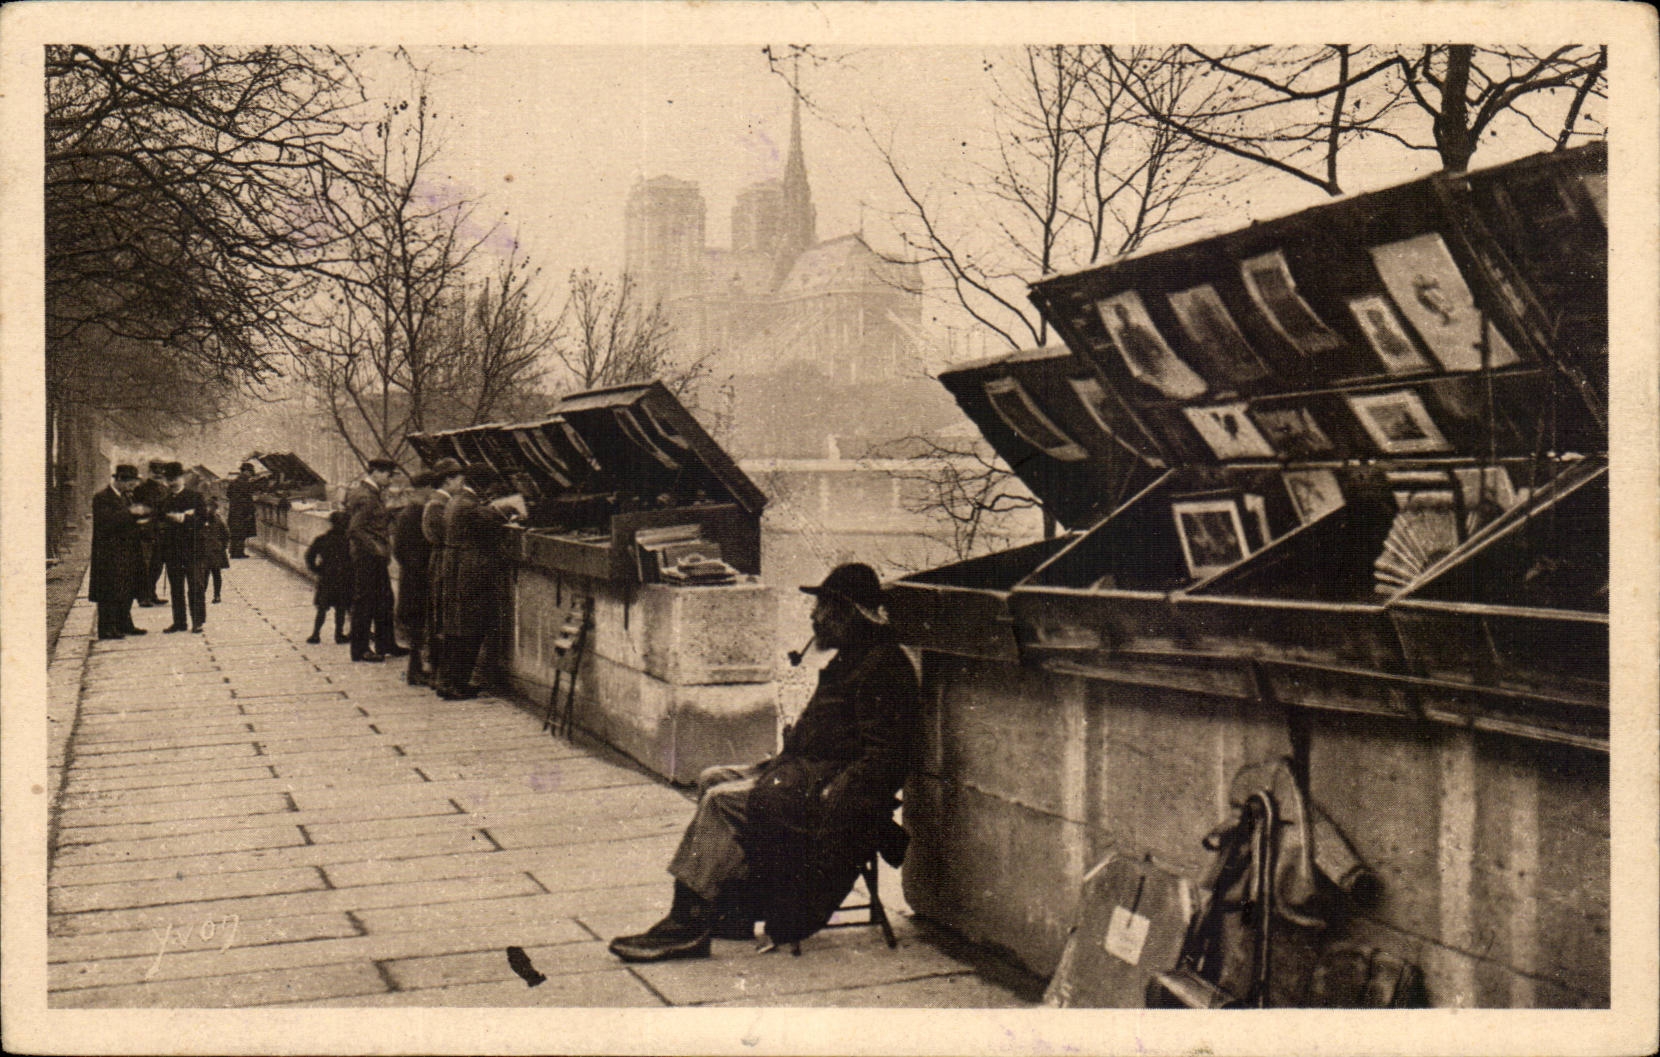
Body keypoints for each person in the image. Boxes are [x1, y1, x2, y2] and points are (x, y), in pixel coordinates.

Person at [608, 563, 921, 963]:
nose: (813, 615)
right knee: (712, 778)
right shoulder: (854, 659)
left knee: (723, 802)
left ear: (847, 613)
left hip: (827, 792)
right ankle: (731, 911)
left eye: (822, 607)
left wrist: (832, 794)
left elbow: (886, 757)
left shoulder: (883, 667)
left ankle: (687, 925)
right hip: (804, 772)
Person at [435, 464, 525, 700]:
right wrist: (513, 506)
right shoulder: (467, 505)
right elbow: (491, 519)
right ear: (484, 484)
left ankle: (448, 682)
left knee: (456, 627)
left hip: (456, 568)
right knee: (469, 626)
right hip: (470, 571)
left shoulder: (457, 500)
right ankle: (455, 684)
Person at [342, 457, 407, 662]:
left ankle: (385, 643)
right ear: (376, 472)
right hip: (368, 557)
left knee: (385, 599)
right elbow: (355, 529)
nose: (389, 480)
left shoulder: (370, 493)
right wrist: (377, 549)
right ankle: (360, 649)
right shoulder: (366, 496)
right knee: (366, 602)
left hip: (372, 557)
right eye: (388, 475)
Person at [89, 464, 149, 640]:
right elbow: (107, 522)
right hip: (109, 552)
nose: (133, 486)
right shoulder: (102, 498)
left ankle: (124, 623)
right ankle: (106, 628)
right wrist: (131, 513)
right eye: (130, 482)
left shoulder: (126, 497)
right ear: (120, 480)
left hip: (127, 550)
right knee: (109, 590)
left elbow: (129, 519)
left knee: (126, 587)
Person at [420, 457, 465, 694]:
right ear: (448, 480)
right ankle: (440, 676)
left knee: (439, 618)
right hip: (442, 565)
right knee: (442, 619)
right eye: (459, 479)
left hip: (439, 563)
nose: (462, 484)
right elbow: (445, 536)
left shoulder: (436, 502)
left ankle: (438, 674)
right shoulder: (439, 506)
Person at [390, 475, 435, 686]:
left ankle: (415, 670)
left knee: (416, 624)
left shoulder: (407, 512)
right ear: (424, 489)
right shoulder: (417, 513)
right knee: (419, 625)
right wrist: (421, 568)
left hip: (410, 576)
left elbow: (398, 549)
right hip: (418, 577)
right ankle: (416, 672)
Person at [158, 462, 207, 633]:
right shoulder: (164, 501)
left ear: (182, 478)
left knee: (195, 585)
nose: (172, 483)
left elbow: (203, 521)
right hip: (172, 551)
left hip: (193, 549)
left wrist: (184, 519)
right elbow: (158, 523)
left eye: (175, 478)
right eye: (169, 479)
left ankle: (197, 621)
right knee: (176, 587)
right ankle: (179, 621)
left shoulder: (195, 497)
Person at [304, 510, 354, 644]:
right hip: (344, 578)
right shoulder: (349, 541)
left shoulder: (322, 539)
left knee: (322, 608)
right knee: (341, 608)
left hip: (327, 577)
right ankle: (339, 635)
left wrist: (317, 569)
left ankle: (315, 634)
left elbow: (309, 556)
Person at [131, 460, 170, 606]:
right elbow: (137, 510)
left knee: (157, 565)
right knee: (144, 565)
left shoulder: (164, 489)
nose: (158, 475)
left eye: (161, 473)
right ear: (150, 472)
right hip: (145, 532)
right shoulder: (141, 489)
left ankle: (152, 593)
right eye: (156, 472)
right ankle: (142, 597)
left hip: (161, 532)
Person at [200, 497, 231, 603]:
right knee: (204, 574)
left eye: (210, 508)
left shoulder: (218, 520)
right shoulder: (199, 520)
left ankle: (217, 595)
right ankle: (202, 595)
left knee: (215, 573)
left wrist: (223, 546)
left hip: (215, 551)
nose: (208, 510)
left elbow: (226, 533)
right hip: (204, 550)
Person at [225, 462, 258, 558]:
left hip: (234, 510)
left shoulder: (234, 482)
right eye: (250, 472)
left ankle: (233, 552)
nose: (251, 474)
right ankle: (238, 553)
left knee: (235, 532)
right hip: (243, 512)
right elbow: (248, 498)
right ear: (246, 472)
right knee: (241, 533)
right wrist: (251, 511)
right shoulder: (245, 483)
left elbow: (228, 495)